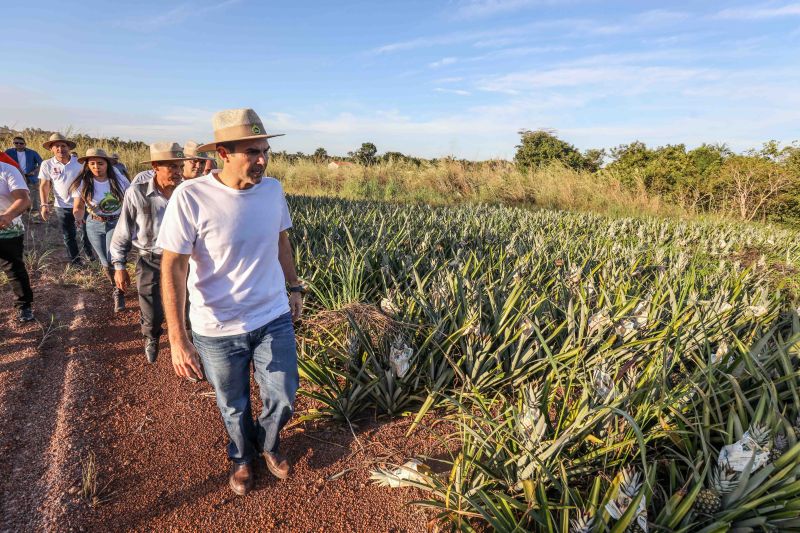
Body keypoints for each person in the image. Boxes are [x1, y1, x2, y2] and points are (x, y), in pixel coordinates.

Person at [158, 108, 302, 496]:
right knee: (233, 402)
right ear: (223, 152)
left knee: (284, 391)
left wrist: (294, 287)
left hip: (272, 314)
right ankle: (241, 455)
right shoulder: (192, 196)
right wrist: (177, 337)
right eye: (251, 152)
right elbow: (172, 266)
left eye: (264, 151)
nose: (261, 160)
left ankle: (269, 442)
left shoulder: (272, 190)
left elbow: (281, 240)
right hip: (217, 326)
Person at [110, 142, 188, 362]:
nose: (178, 172)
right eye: (172, 167)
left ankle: (189, 349)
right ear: (156, 166)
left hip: (183, 261)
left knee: (187, 307)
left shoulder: (186, 192)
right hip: (151, 259)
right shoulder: (137, 192)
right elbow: (123, 230)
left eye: (180, 167)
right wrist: (119, 265)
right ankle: (151, 337)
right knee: (151, 309)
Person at [70, 148, 130, 311]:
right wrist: (78, 216)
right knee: (104, 260)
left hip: (115, 222)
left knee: (113, 256)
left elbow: (129, 200)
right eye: (92, 163)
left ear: (107, 164)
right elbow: (78, 206)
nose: (96, 167)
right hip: (94, 223)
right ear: (88, 165)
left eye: (100, 163)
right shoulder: (83, 182)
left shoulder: (118, 178)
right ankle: (115, 284)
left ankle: (119, 293)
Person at [38, 133, 94, 265]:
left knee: (86, 233)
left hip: (82, 204)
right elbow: (45, 185)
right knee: (68, 235)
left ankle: (90, 257)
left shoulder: (80, 163)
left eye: (63, 146)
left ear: (68, 147)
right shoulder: (47, 164)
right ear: (51, 149)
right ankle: (75, 261)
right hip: (61, 206)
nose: (60, 149)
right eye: (56, 146)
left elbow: (89, 182)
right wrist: (44, 204)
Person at [0, 160, 34, 322]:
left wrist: (6, 216)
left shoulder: (7, 170)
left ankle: (24, 306)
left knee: (13, 269)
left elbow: (23, 199)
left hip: (8, 230)